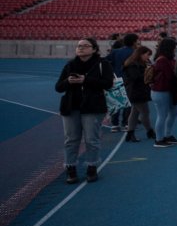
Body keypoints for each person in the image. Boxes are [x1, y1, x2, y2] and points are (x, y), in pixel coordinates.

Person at [56, 38, 114, 184]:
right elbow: (58, 87)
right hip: (71, 107)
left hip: (93, 107)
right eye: (79, 46)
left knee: (91, 140)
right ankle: (71, 169)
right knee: (71, 140)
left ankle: (91, 168)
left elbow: (108, 84)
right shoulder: (70, 65)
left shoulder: (102, 64)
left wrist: (86, 80)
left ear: (94, 49)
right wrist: (68, 82)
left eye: (85, 46)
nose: (80, 48)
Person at [150, 38, 177, 148]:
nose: (176, 48)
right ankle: (159, 139)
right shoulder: (163, 60)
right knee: (162, 115)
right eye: (174, 46)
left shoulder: (166, 59)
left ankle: (167, 135)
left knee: (173, 112)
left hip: (165, 90)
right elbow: (170, 76)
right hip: (161, 91)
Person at [122, 46, 155, 142]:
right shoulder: (133, 65)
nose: (148, 57)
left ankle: (130, 133)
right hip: (136, 91)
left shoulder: (138, 63)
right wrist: (148, 73)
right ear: (141, 54)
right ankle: (149, 131)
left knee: (134, 113)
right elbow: (135, 77)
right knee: (145, 112)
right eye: (147, 55)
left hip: (138, 91)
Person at [107, 33, 139, 132]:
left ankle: (115, 125)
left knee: (116, 101)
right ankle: (126, 123)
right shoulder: (135, 52)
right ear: (134, 42)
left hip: (116, 78)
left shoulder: (115, 52)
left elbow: (106, 61)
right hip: (130, 80)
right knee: (128, 102)